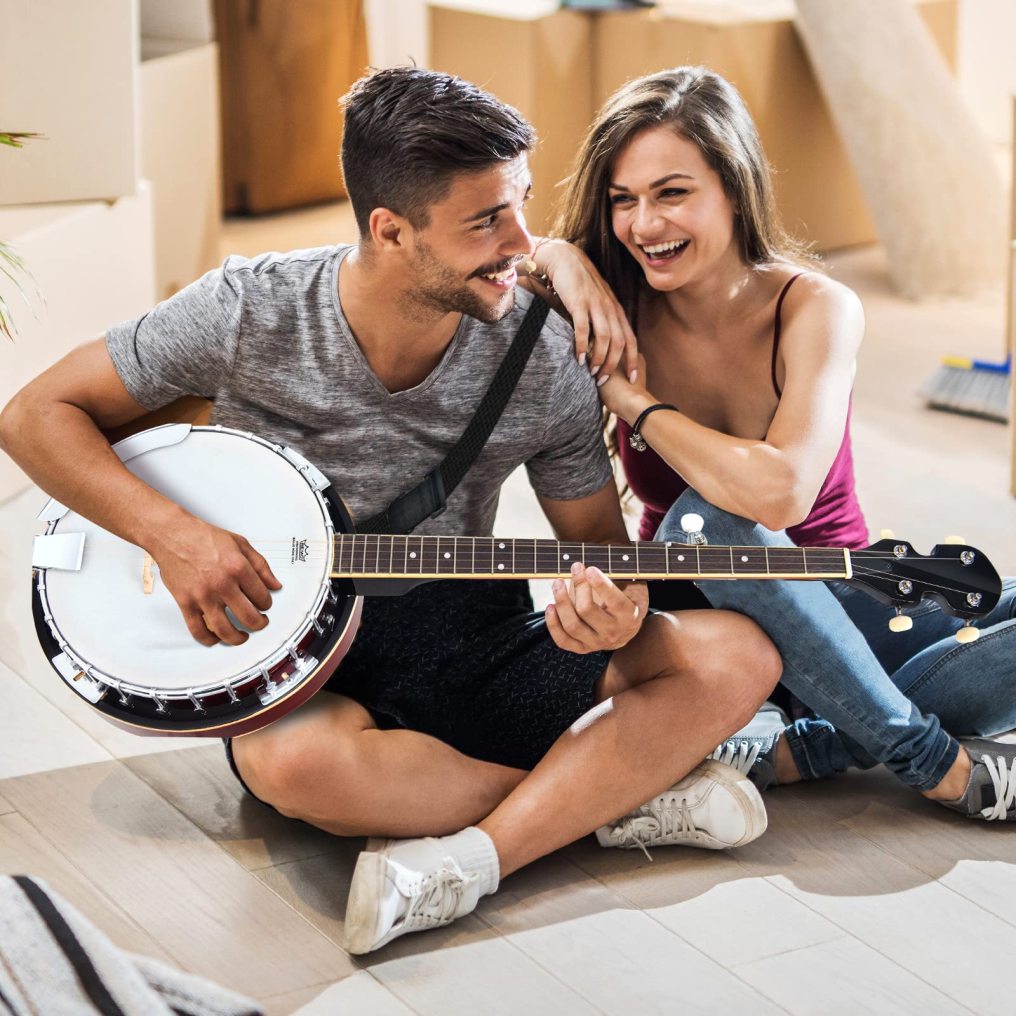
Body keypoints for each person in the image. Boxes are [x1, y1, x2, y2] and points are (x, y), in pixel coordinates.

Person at [0, 68, 783, 954]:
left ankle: (483, 851)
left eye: (522, 204)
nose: (523, 243)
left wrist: (608, 612)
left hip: (468, 630)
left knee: (734, 656)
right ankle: (610, 798)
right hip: (294, 653)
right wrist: (175, 536)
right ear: (391, 229)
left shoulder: (545, 351)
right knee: (291, 765)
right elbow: (33, 415)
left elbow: (599, 548)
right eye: (486, 219)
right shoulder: (249, 309)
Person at [525, 65, 1016, 822]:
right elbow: (500, 264)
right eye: (623, 200)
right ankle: (924, 756)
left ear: (733, 183)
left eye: (672, 192)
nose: (643, 225)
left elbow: (782, 494)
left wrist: (633, 400)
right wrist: (559, 256)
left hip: (839, 607)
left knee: (736, 520)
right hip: (700, 616)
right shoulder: (614, 305)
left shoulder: (815, 306)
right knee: (708, 527)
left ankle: (807, 747)